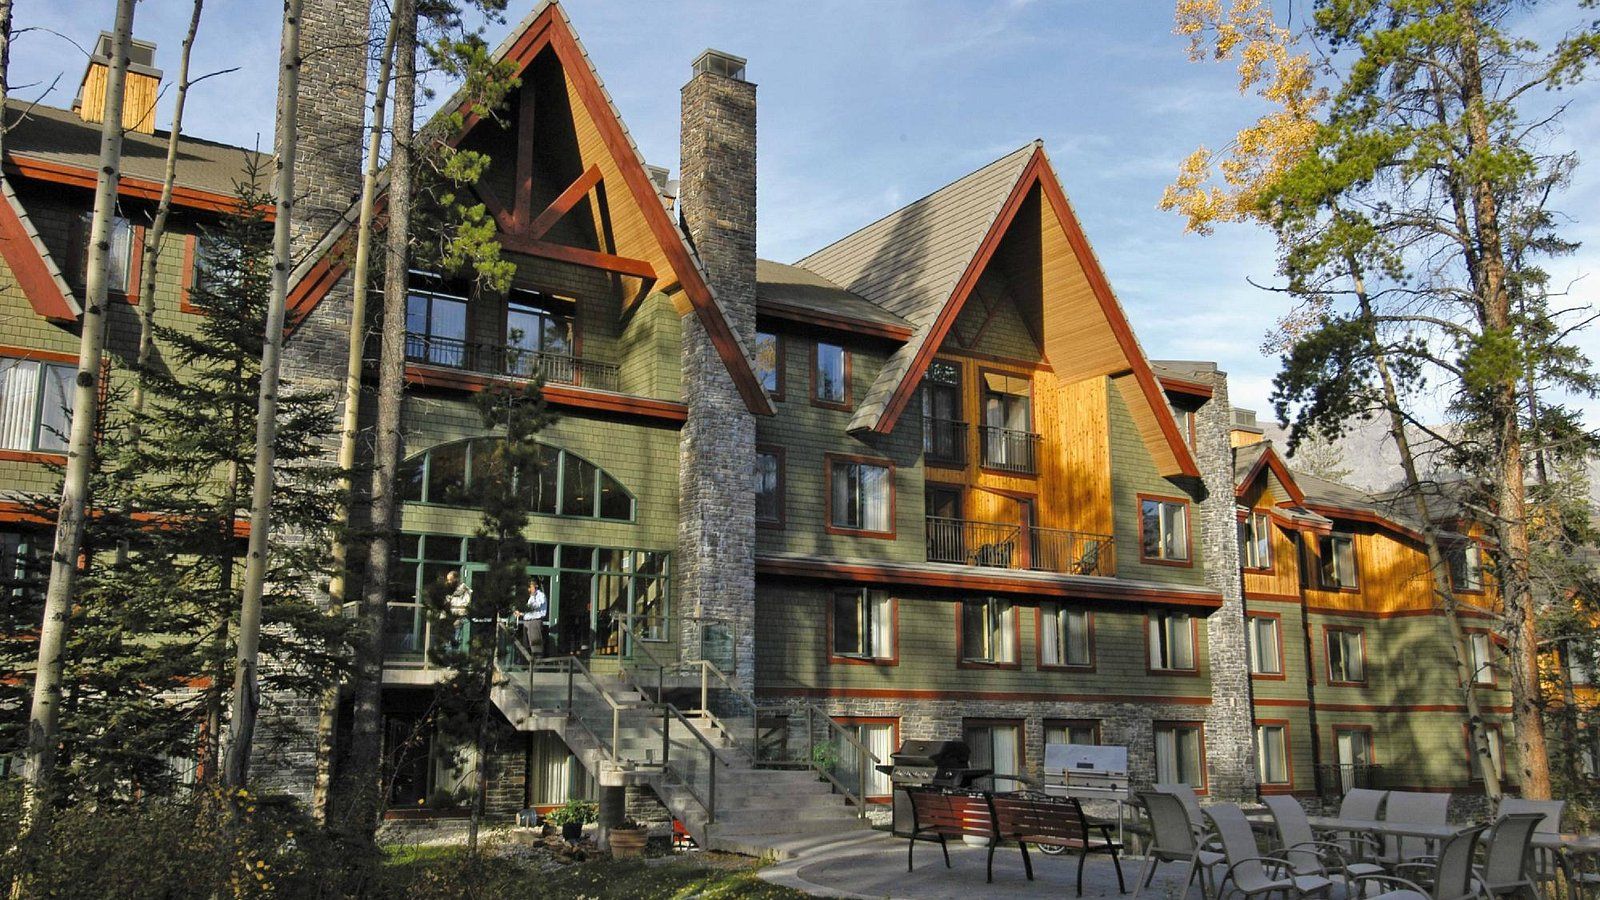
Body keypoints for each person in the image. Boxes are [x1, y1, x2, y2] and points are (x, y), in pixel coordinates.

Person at [443, 569, 472, 650]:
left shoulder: (464, 588)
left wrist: (461, 614)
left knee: (456, 628)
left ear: (456, 579)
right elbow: (447, 599)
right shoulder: (449, 589)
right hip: (450, 614)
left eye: (450, 580)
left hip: (460, 614)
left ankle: (455, 646)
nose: (449, 582)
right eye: (448, 580)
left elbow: (467, 602)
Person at [522, 578, 548, 657]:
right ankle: (528, 665)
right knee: (526, 645)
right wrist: (521, 613)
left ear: (535, 587)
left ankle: (538, 666)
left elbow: (535, 606)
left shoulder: (540, 595)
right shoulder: (531, 597)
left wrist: (533, 595)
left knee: (535, 645)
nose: (529, 589)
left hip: (534, 622)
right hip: (527, 622)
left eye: (530, 587)